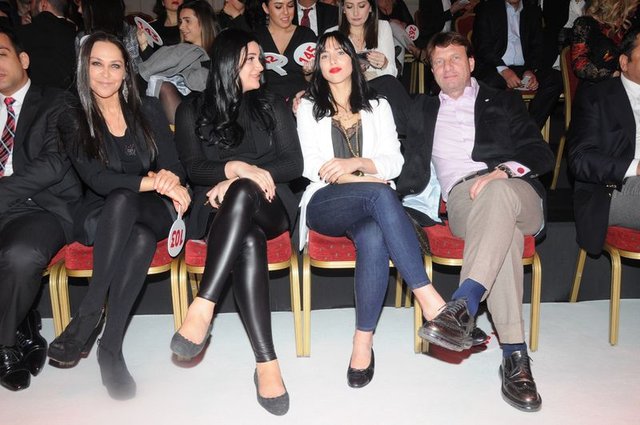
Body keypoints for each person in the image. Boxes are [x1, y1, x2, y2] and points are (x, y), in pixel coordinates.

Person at [297, 31, 473, 389]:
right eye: (324, 55)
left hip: (373, 204)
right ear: (318, 65)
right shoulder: (308, 107)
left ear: (353, 60)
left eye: (339, 52)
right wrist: (358, 177)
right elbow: (312, 166)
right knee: (380, 194)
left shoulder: (378, 106)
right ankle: (432, 304)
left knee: (374, 235)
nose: (332, 60)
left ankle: (362, 342)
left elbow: (394, 163)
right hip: (326, 201)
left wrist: (357, 163)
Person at [397, 31, 554, 412]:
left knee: (498, 195)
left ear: (470, 63)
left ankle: (463, 303)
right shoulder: (420, 109)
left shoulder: (502, 100)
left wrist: (503, 171)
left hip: (516, 189)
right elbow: (378, 113)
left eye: (455, 58)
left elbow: (540, 152)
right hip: (464, 200)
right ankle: (515, 356)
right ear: (431, 70)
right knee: (505, 238)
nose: (447, 67)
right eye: (438, 62)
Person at [47, 32, 191, 400]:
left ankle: (88, 313)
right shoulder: (73, 117)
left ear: (126, 71)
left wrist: (169, 180)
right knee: (136, 230)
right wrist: (154, 181)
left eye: (115, 66)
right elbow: (98, 179)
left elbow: (175, 166)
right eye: (97, 64)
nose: (106, 74)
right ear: (84, 68)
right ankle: (110, 347)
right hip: (104, 212)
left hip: (154, 207)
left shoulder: (149, 110)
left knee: (127, 199)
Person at [171, 28, 303, 416]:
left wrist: (242, 179)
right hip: (215, 210)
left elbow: (293, 164)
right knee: (248, 241)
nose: (261, 66)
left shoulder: (270, 104)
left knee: (244, 191)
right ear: (229, 63)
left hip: (271, 203)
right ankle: (267, 364)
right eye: (252, 59)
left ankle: (203, 306)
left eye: (260, 58)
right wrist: (233, 168)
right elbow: (193, 168)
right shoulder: (191, 109)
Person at [0, 26, 81, 392]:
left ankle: (5, 344)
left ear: (23, 59)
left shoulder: (57, 102)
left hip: (40, 207)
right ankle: (23, 326)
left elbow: (54, 163)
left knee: (20, 256)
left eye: (1, 54)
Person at [568, 28, 640, 255]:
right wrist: (636, 167)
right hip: (614, 189)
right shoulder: (596, 97)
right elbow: (580, 159)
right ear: (624, 62)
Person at [472, 0, 562, 129]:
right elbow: (482, 46)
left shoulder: (532, 11)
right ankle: (497, 132)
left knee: (554, 79)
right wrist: (504, 70)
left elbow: (537, 46)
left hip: (523, 68)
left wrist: (530, 70)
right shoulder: (487, 9)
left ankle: (529, 130)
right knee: (490, 83)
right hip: (495, 67)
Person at [253, 0, 316, 102]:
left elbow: (316, 79)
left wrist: (309, 73)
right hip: (265, 104)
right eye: (278, 7)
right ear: (265, 8)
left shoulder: (306, 35)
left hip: (300, 101)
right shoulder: (255, 39)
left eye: (290, 5)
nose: (286, 12)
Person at [571, 0, 638, 84]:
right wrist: (614, 75)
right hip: (598, 85)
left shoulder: (627, 25)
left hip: (623, 82)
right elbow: (579, 67)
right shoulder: (586, 24)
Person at [14, 0, 76, 90]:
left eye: (31, 2)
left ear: (43, 5)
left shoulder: (23, 34)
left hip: (34, 96)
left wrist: (24, 28)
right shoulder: (76, 32)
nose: (29, 8)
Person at [333, 0, 397, 80]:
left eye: (361, 6)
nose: (355, 13)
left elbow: (393, 74)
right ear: (343, 9)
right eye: (349, 7)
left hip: (379, 85)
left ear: (370, 7)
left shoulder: (382, 27)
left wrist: (384, 64)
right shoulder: (332, 35)